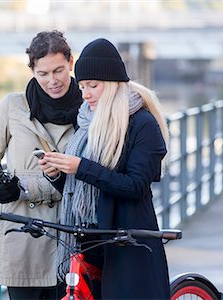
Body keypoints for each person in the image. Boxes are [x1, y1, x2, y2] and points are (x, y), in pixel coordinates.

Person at [39, 38, 171, 299]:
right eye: (82, 86)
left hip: (128, 242)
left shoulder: (142, 124)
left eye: (93, 86)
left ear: (112, 85)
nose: (85, 94)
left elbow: (134, 186)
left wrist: (81, 167)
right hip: (89, 240)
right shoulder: (88, 123)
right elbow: (81, 188)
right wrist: (56, 174)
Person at [0, 30, 83, 300]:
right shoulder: (14, 106)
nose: (52, 81)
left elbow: (86, 174)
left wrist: (24, 187)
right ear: (32, 71)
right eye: (42, 74)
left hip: (66, 233)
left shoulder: (88, 108)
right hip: (21, 233)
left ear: (71, 62)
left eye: (58, 70)